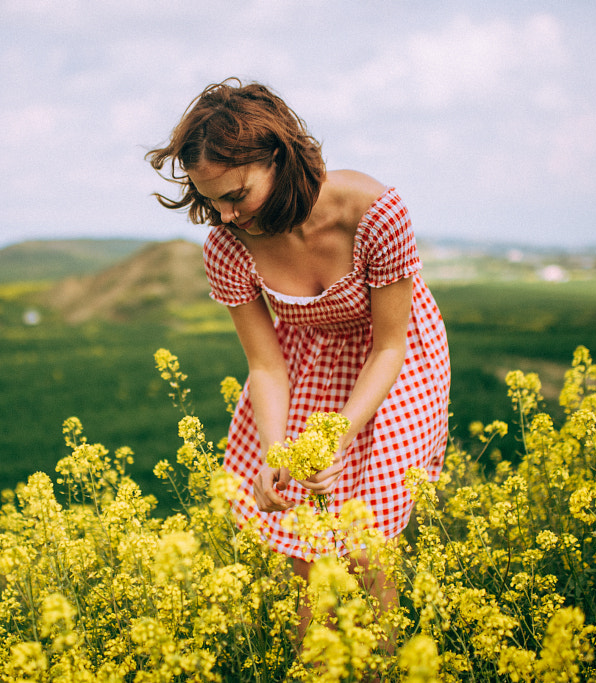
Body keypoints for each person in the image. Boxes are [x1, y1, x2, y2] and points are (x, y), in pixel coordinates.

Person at [147, 78, 450, 633]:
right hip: (306, 360)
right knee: (304, 544)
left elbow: (389, 346)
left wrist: (337, 433)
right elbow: (265, 366)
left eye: (236, 195)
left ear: (280, 158)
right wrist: (277, 452)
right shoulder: (227, 246)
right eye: (209, 201)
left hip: (396, 360)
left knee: (366, 547)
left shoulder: (375, 213)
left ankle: (382, 664)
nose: (226, 216)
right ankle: (316, 661)